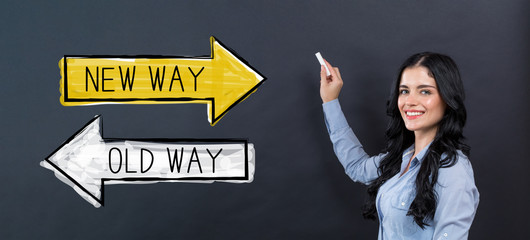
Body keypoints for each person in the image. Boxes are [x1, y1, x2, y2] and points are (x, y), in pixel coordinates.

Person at [320, 52, 479, 239]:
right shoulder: (404, 158)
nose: (410, 102)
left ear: (447, 99)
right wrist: (330, 101)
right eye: (404, 91)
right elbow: (357, 167)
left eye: (425, 91)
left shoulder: (452, 169)